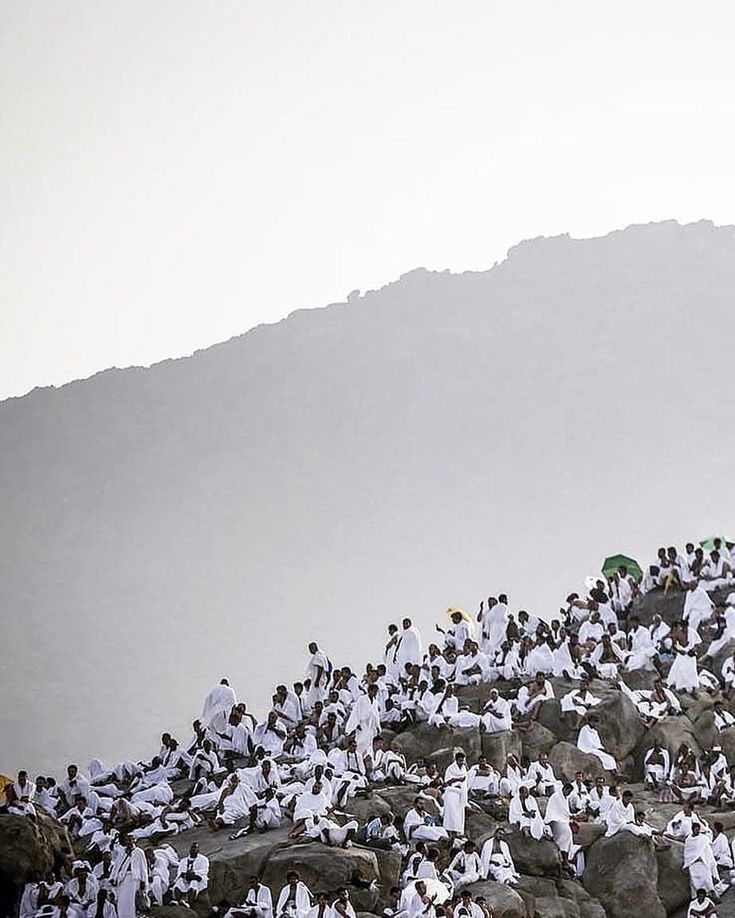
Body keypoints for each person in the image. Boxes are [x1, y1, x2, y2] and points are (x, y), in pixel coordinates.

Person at [110, 835, 147, 918]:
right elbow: (117, 866)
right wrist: (113, 877)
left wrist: (143, 881)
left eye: (131, 840)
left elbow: (143, 868)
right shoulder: (122, 852)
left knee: (132, 901)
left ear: (134, 841)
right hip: (122, 878)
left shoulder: (139, 852)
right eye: (127, 840)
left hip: (134, 879)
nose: (129, 842)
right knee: (122, 900)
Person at [683, 823, 720, 898]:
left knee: (707, 879)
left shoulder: (703, 838)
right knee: (694, 881)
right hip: (693, 863)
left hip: (703, 862)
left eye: (698, 830)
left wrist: (704, 858)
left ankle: (713, 895)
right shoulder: (688, 840)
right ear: (692, 830)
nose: (697, 831)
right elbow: (687, 852)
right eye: (696, 830)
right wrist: (692, 860)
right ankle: (697, 897)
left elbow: (707, 851)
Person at [173, 842, 209, 906]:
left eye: (195, 848)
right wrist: (186, 875)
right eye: (192, 847)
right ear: (189, 849)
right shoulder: (183, 860)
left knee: (193, 883)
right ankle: (177, 901)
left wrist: (194, 873)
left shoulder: (204, 859)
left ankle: (189, 902)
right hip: (186, 878)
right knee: (179, 883)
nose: (193, 849)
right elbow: (180, 871)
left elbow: (204, 870)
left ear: (198, 850)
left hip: (197, 878)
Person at [443, 751, 468, 837]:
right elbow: (446, 782)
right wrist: (457, 779)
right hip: (451, 793)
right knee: (451, 813)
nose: (461, 763)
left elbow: (465, 782)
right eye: (460, 761)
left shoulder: (464, 768)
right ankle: (449, 831)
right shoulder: (450, 769)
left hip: (460, 794)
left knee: (459, 813)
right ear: (456, 760)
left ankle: (458, 832)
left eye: (463, 761)